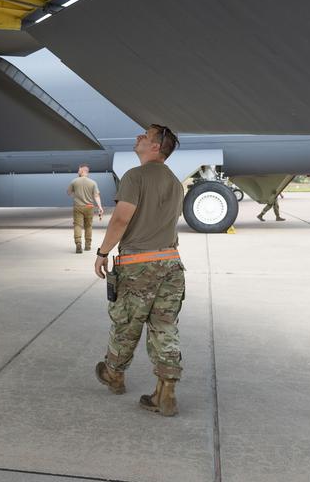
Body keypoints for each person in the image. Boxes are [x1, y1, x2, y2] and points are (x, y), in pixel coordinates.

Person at [92, 124, 186, 417]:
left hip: (138, 265)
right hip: (171, 263)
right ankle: (166, 390)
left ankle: (114, 374)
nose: (138, 138)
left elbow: (121, 220)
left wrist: (102, 252)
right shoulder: (175, 182)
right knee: (165, 326)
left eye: (144, 136)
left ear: (156, 147)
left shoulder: (135, 177)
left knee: (127, 323)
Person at [67, 164, 104, 253]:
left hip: (78, 207)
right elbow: (96, 196)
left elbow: (69, 193)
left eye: (79, 170)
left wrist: (76, 195)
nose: (78, 172)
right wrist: (100, 207)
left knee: (77, 225)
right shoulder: (93, 182)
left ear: (83, 171)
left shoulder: (74, 181)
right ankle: (87, 245)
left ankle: (78, 243)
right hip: (89, 207)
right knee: (88, 226)